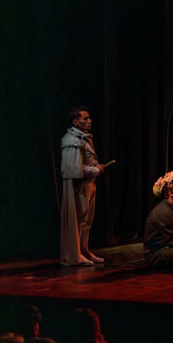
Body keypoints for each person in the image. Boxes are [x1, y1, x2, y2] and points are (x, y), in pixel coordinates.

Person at [60, 106, 106, 266]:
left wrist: (95, 169)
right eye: (85, 118)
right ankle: (76, 253)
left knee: (87, 220)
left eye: (89, 118)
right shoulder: (71, 140)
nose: (89, 121)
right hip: (80, 186)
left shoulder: (84, 138)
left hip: (89, 184)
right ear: (75, 121)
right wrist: (95, 170)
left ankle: (84, 249)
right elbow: (75, 169)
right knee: (80, 219)